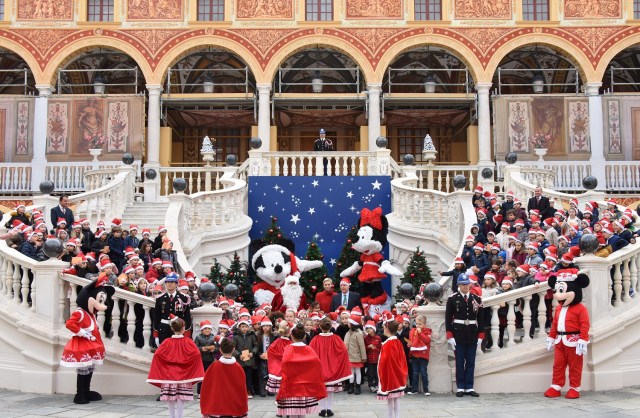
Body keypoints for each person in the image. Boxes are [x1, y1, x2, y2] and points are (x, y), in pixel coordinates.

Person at [147, 316, 204, 418]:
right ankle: (179, 416)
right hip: (184, 376)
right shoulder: (188, 341)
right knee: (181, 398)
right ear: (183, 329)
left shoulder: (166, 342)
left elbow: (157, 355)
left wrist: (166, 364)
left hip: (169, 376)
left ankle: (171, 416)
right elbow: (196, 354)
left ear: (172, 328)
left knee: (170, 398)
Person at [445, 274, 484, 397]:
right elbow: (448, 318)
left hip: (472, 333)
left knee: (471, 362)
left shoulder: (476, 299)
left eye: (467, 284)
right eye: (463, 284)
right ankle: (461, 387)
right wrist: (450, 336)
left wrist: (481, 336)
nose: (465, 286)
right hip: (458, 334)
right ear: (458, 285)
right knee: (460, 361)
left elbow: (481, 319)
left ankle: (469, 387)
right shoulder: (452, 299)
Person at [276, 323, 327, 417]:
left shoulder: (288, 348)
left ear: (291, 336)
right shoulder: (309, 349)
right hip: (305, 387)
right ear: (304, 336)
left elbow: (285, 363)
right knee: (303, 412)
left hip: (291, 386)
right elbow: (316, 363)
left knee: (292, 413)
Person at [309, 318, 351, 417]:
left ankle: (323, 409)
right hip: (333, 369)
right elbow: (343, 351)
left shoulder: (315, 339)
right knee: (331, 390)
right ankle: (329, 409)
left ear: (319, 326)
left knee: (322, 389)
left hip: (320, 370)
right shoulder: (336, 338)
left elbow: (310, 353)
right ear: (331, 326)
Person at [200, 338, 249, 418]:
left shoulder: (213, 366)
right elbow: (242, 389)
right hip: (234, 406)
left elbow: (206, 387)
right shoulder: (238, 367)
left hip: (217, 405)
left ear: (220, 350)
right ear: (233, 349)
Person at [377, 317, 408, 418]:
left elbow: (385, 361)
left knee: (391, 400)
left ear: (386, 329)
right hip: (397, 374)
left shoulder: (388, 344)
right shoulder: (397, 342)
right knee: (396, 399)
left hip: (391, 376)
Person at [153, 273, 192, 346]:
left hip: (178, 329)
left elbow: (187, 317)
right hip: (163, 329)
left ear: (176, 284)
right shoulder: (160, 298)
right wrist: (156, 334)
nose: (169, 284)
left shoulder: (184, 298)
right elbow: (156, 317)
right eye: (167, 282)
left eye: (172, 282)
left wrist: (186, 333)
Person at [233, 318, 259, 399]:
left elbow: (256, 345)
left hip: (249, 360)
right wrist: (238, 355)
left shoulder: (252, 335)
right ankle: (240, 391)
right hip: (240, 360)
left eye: (246, 327)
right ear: (239, 327)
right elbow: (233, 347)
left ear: (248, 327)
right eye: (242, 327)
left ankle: (248, 390)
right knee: (240, 376)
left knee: (248, 376)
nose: (244, 328)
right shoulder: (236, 336)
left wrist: (253, 352)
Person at [406, 314, 432, 396]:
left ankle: (426, 389)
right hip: (414, 355)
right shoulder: (412, 331)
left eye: (420, 324)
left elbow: (427, 340)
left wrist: (420, 333)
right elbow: (412, 341)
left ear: (424, 324)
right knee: (415, 373)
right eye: (417, 324)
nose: (418, 325)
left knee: (423, 372)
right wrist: (409, 344)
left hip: (423, 356)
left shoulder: (427, 331)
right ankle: (414, 389)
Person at [266, 321, 292, 395]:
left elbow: (270, 350)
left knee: (278, 389)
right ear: (289, 332)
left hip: (276, 368)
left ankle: (278, 399)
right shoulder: (290, 343)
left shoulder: (276, 342)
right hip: (286, 369)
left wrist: (276, 359)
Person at [344, 314, 367, 395]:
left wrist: (364, 357)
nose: (347, 323)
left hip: (357, 356)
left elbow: (362, 346)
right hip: (349, 356)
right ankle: (351, 386)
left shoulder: (358, 334)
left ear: (352, 324)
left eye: (349, 322)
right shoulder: (347, 333)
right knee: (351, 372)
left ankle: (358, 386)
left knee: (358, 372)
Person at [194, 320, 216, 398]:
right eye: (205, 329)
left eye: (209, 329)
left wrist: (214, 350)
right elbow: (194, 348)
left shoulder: (214, 337)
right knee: (201, 376)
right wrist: (201, 349)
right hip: (201, 360)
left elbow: (217, 348)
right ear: (202, 330)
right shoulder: (198, 337)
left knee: (209, 376)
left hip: (210, 360)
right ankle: (200, 392)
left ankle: (209, 391)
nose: (207, 330)